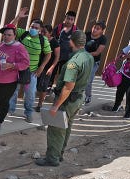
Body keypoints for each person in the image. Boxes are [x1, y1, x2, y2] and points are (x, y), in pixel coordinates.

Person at [36, 31, 93, 167]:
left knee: (56, 129)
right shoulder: (88, 57)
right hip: (78, 97)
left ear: (71, 42)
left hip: (68, 100)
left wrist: (56, 106)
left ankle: (52, 158)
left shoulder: (73, 62)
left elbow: (68, 87)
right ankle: (59, 154)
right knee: (66, 128)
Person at [8, 8, 52, 122]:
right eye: (32, 26)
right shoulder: (23, 34)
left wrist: (41, 67)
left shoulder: (43, 41)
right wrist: (18, 17)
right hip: (17, 69)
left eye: (36, 28)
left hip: (32, 72)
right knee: (13, 91)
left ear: (40, 30)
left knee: (30, 95)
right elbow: (9, 28)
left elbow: (48, 54)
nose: (33, 29)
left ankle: (28, 112)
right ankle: (10, 109)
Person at [35, 24, 61, 112]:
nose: (42, 33)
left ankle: (39, 105)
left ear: (50, 33)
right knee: (37, 85)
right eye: (41, 31)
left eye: (44, 32)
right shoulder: (39, 39)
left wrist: (52, 68)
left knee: (43, 86)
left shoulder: (54, 42)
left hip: (47, 68)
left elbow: (57, 57)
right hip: (37, 66)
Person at [83, 21, 108, 104]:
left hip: (93, 62)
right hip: (82, 59)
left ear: (102, 31)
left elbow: (97, 52)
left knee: (88, 80)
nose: (95, 30)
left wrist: (85, 54)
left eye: (98, 29)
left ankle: (88, 96)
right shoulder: (86, 34)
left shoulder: (103, 39)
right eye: (94, 27)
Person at [52, 11, 78, 86]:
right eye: (68, 18)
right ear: (65, 18)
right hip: (56, 55)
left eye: (71, 19)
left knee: (63, 73)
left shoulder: (75, 30)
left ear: (74, 20)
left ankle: (59, 88)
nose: (69, 21)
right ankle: (49, 87)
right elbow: (52, 39)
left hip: (68, 57)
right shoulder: (58, 28)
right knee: (52, 72)